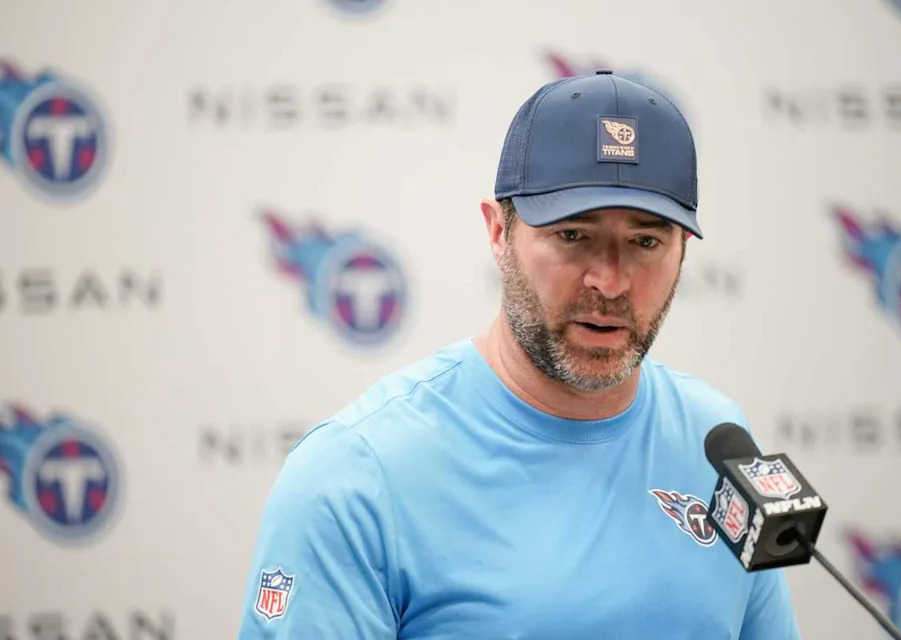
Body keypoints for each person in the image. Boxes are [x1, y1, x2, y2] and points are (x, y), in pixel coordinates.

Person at [237, 70, 802, 639]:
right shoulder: (355, 476)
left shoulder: (721, 444)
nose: (610, 282)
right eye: (573, 236)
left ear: (683, 251)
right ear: (497, 231)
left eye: (646, 242)